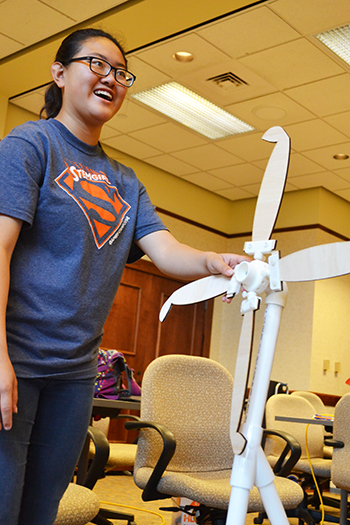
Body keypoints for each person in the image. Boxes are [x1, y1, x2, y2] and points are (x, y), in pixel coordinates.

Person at [0, 28, 247, 525]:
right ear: (59, 73)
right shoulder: (31, 144)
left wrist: (214, 262)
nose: (110, 78)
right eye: (96, 64)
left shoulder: (126, 181)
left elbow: (166, 251)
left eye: (120, 72)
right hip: (17, 358)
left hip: (75, 374)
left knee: (41, 512)